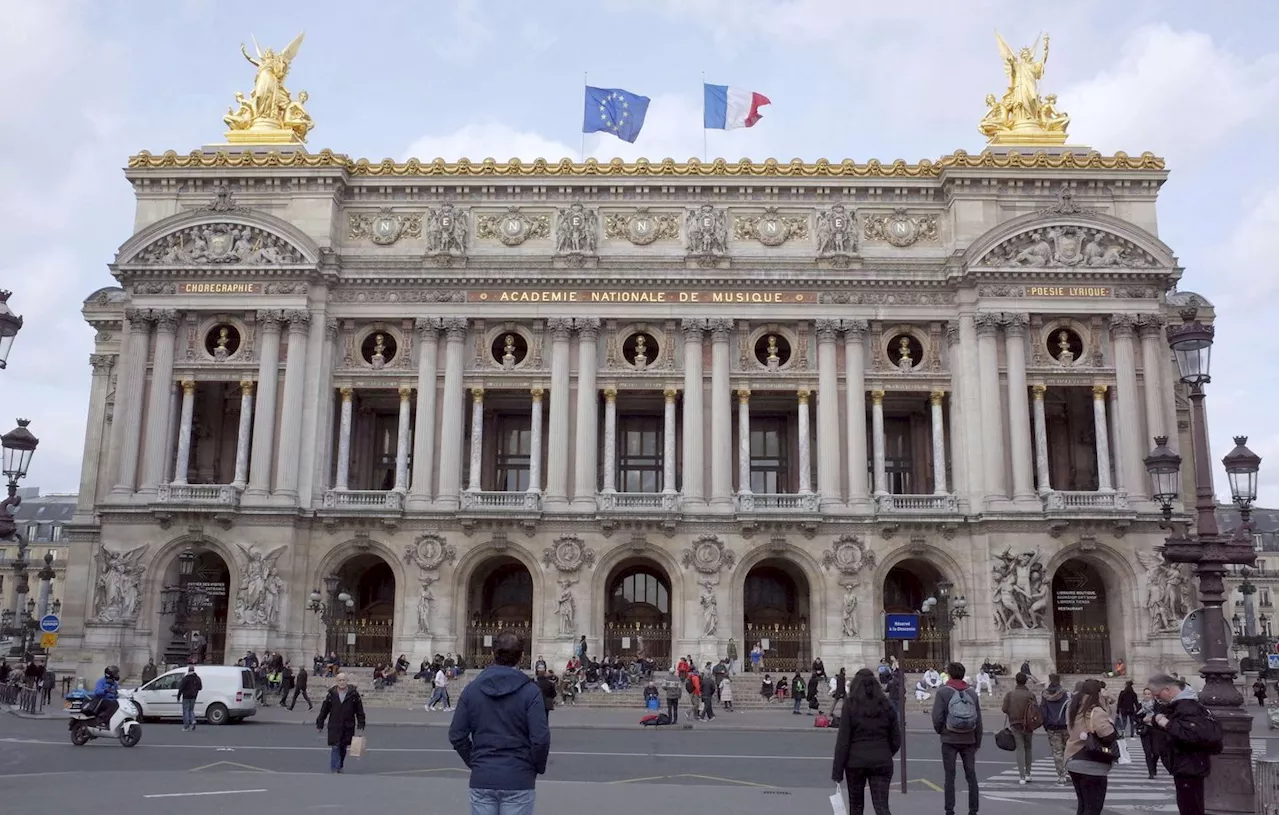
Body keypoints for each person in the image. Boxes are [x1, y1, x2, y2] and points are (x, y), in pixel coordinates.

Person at [449, 630, 550, 815]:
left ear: (492, 654)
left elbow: (457, 735)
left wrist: (477, 762)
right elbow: (540, 739)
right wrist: (534, 767)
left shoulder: (471, 690)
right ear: (521, 657)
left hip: (483, 776)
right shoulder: (530, 691)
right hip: (519, 777)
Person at [1145, 672, 1223, 815]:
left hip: (1189, 765)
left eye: (1157, 695)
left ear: (1167, 690)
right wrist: (1158, 721)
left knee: (1190, 808)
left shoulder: (1186, 707)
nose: (1157, 699)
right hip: (1187, 764)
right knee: (1189, 806)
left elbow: (1190, 735)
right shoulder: (1181, 705)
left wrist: (1166, 724)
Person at [832, 668, 901, 815]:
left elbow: (843, 741)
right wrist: (885, 752)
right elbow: (896, 739)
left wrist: (837, 771)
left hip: (856, 762)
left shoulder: (850, 705)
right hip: (882, 761)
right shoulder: (886, 705)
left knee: (856, 808)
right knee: (882, 807)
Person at [931, 661, 982, 815]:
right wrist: (977, 741)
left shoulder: (943, 692)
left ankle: (949, 810)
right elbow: (978, 720)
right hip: (969, 739)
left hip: (949, 739)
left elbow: (937, 717)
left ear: (950, 674)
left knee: (950, 777)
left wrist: (942, 732)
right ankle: (973, 810)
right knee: (971, 776)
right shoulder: (972, 693)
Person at [1064, 678, 1116, 815]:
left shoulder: (1073, 707)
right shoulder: (1095, 710)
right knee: (1093, 807)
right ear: (1097, 692)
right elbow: (1107, 734)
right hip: (1092, 763)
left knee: (1083, 805)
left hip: (1073, 758)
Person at [316, 672, 366, 774]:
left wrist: (361, 724)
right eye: (340, 680)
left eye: (344, 680)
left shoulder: (353, 694)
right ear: (336, 681)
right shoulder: (331, 694)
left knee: (343, 747)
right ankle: (335, 768)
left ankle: (339, 765)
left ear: (347, 681)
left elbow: (359, 711)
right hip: (334, 725)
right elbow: (324, 710)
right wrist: (320, 723)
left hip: (348, 725)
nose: (342, 682)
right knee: (335, 746)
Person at [1001, 672, 1038, 785]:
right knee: (1028, 748)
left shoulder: (1010, 694)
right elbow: (1036, 709)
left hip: (1015, 724)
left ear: (1016, 681)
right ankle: (1028, 773)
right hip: (1028, 725)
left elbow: (1004, 709)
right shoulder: (1030, 694)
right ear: (1026, 681)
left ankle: (1021, 776)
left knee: (1020, 749)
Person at [1040, 673, 1071, 786]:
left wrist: (1046, 724)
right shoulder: (1066, 694)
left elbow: (1043, 710)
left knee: (1057, 752)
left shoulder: (1045, 695)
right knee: (1067, 750)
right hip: (1065, 725)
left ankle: (1061, 775)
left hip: (1052, 727)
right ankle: (1068, 771)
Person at [1136, 687, 1161, 779]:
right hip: (1145, 730)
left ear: (1152, 695)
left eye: (1149, 694)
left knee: (1156, 752)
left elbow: (1161, 715)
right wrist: (1142, 719)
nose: (1147, 696)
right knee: (1147, 752)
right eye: (1145, 694)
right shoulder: (1140, 705)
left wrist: (1153, 719)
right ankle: (1150, 772)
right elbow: (1135, 717)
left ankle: (1154, 765)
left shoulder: (1157, 705)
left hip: (1155, 730)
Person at [178, 665, 202, 731]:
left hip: (186, 696)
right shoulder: (197, 678)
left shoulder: (185, 678)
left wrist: (178, 696)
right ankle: (193, 720)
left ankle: (186, 726)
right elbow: (200, 687)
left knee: (186, 710)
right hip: (194, 696)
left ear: (188, 670)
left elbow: (181, 688)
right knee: (191, 709)